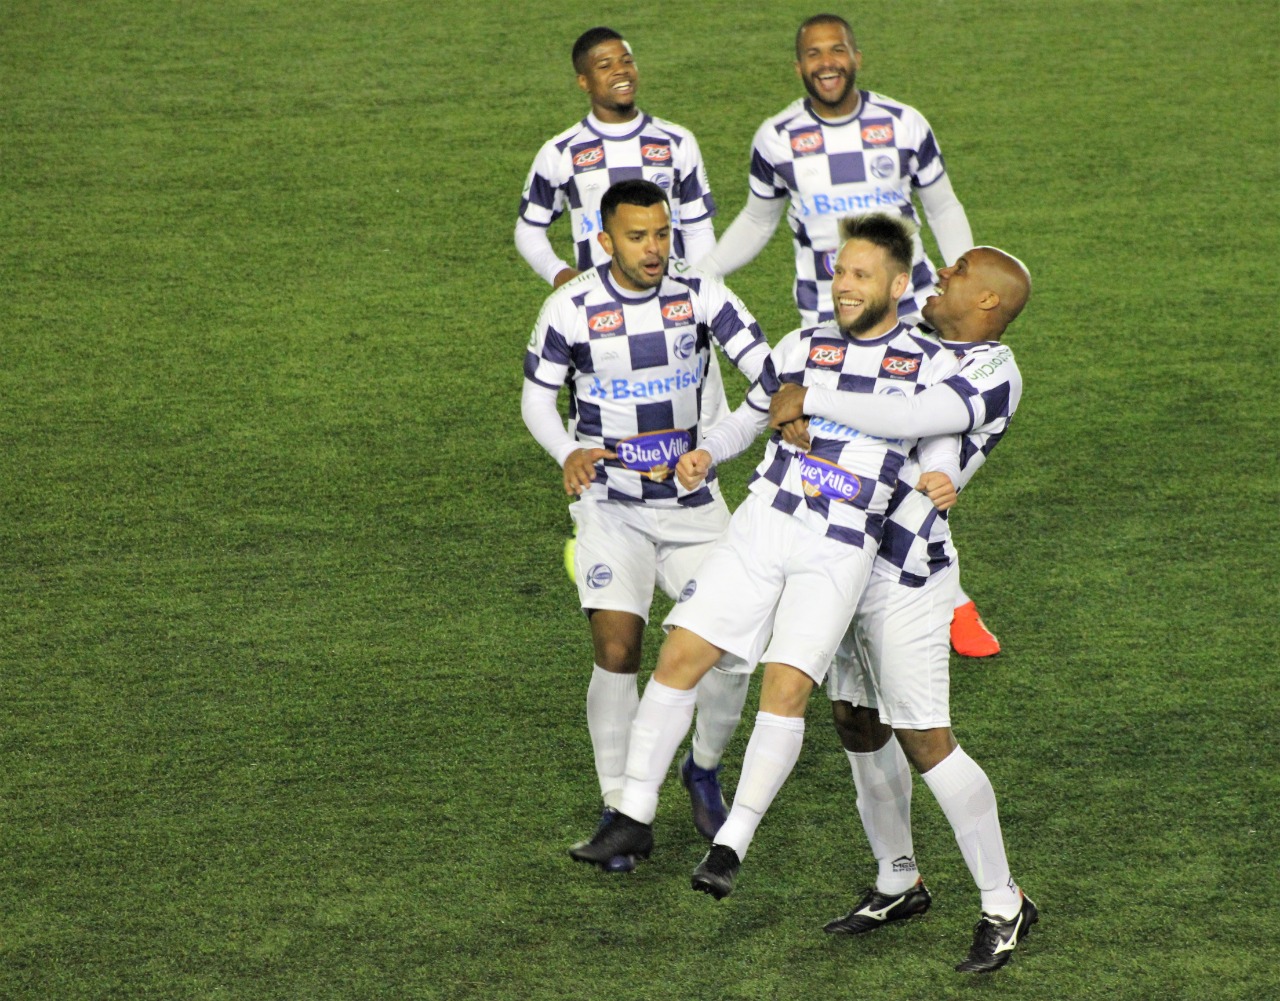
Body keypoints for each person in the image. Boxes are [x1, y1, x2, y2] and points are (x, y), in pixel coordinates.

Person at [568, 213, 960, 898]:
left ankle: (731, 843)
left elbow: (940, 442)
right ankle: (631, 811)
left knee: (787, 688)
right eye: (840, 270)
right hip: (764, 522)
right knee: (680, 654)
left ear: (898, 284)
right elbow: (749, 415)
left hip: (839, 547)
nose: (842, 284)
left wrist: (944, 474)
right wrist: (707, 452)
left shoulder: (929, 364)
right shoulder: (803, 342)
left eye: (860, 274)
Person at [767, 246, 1037, 973]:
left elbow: (917, 414)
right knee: (855, 718)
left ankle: (1005, 901)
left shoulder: (992, 368)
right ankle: (898, 877)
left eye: (956, 275)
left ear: (986, 303)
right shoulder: (910, 341)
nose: (940, 275)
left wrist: (814, 401)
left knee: (924, 736)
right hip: (843, 553)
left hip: (908, 570)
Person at [701, 13, 998, 657]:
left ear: (857, 56)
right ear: (799, 65)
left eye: (837, 50)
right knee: (840, 466)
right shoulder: (777, 138)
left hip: (907, 322)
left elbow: (942, 205)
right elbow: (757, 222)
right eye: (814, 53)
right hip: (823, 330)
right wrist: (700, 277)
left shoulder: (903, 123)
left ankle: (948, 596)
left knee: (918, 459)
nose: (827, 62)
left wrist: (966, 277)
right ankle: (840, 585)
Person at [522, 179, 771, 871]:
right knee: (617, 646)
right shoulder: (569, 308)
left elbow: (772, 376)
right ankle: (618, 808)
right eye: (638, 236)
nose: (654, 248)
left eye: (661, 233)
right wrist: (567, 450)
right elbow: (537, 402)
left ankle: (702, 766)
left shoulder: (702, 293)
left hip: (693, 510)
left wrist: (716, 445)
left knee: (729, 655)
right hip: (611, 509)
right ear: (606, 241)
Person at [516, 25, 731, 430]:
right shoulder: (561, 152)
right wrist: (560, 273)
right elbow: (529, 229)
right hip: (601, 313)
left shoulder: (676, 141)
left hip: (675, 304)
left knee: (701, 425)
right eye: (605, 64)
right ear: (584, 81)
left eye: (626, 60)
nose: (621, 70)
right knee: (610, 424)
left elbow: (699, 225)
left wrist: (705, 291)